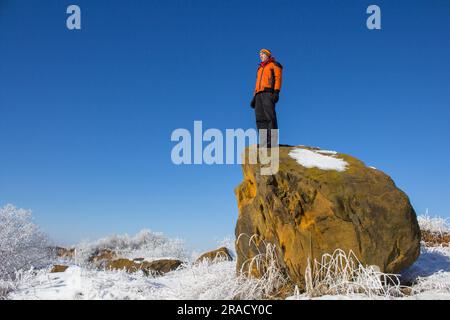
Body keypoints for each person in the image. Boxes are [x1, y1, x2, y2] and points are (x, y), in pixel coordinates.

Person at [250, 48, 283, 148]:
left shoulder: (274, 65)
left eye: (262, 54)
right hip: (258, 95)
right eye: (260, 54)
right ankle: (264, 142)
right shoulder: (259, 68)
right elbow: (257, 83)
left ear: (268, 55)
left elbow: (278, 79)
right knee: (260, 119)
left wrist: (276, 92)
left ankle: (273, 142)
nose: (261, 55)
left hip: (268, 93)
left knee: (270, 117)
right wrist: (254, 97)